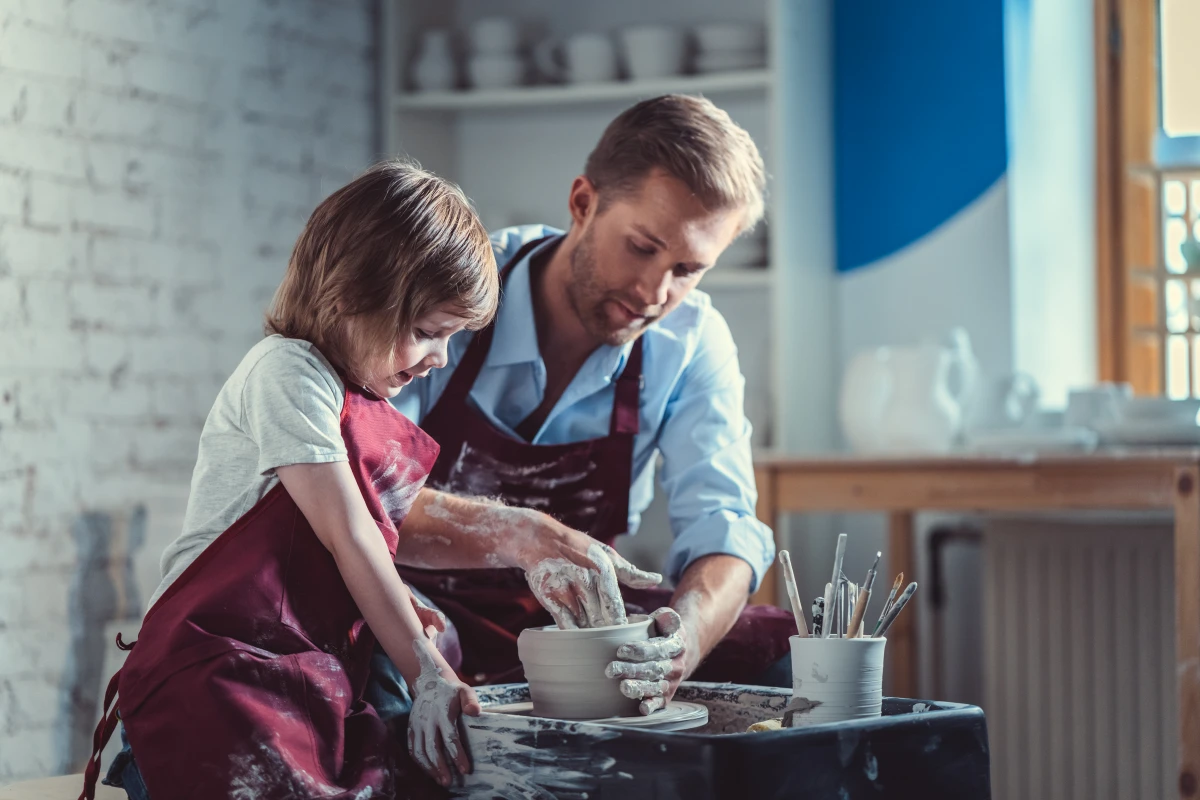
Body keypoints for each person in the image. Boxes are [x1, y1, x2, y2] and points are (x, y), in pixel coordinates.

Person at [82, 161, 510, 799]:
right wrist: (427, 674)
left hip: (299, 669)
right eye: (426, 332)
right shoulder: (287, 371)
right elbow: (348, 534)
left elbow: (342, 556)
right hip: (216, 670)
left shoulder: (361, 397)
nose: (438, 359)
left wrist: (406, 624)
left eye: (449, 338)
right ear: (349, 297)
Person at [374, 94, 797, 720]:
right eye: (643, 246)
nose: (656, 292)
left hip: (573, 625)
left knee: (773, 652)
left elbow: (725, 526)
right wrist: (522, 534)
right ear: (582, 204)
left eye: (687, 269)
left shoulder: (691, 344)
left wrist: (681, 642)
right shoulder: (452, 290)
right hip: (417, 604)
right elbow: (358, 491)